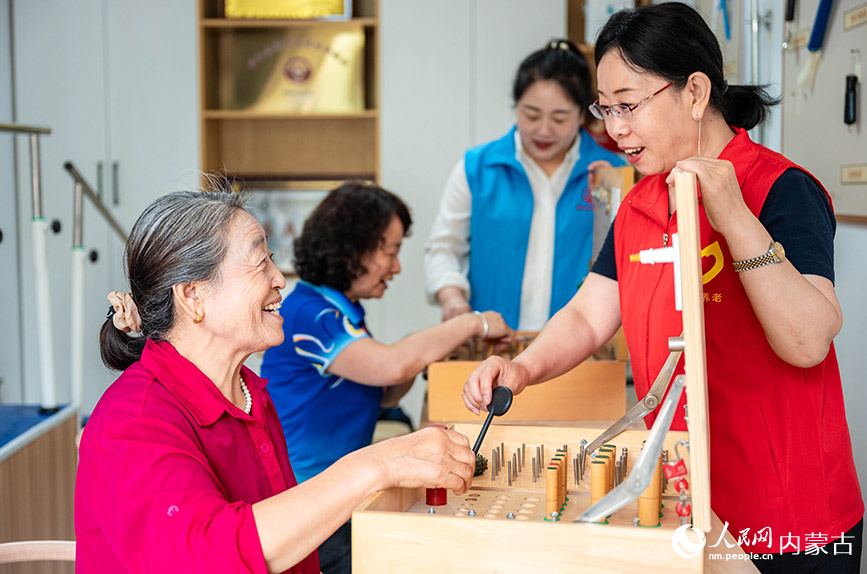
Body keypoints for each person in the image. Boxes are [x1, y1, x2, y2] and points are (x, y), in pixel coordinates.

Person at [462, 5, 863, 573]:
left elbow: (807, 341)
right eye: (606, 108)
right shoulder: (640, 203)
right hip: (688, 498)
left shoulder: (781, 189)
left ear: (695, 92)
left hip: (788, 516)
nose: (614, 127)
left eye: (629, 105)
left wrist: (735, 219)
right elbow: (588, 315)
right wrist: (522, 369)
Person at [75, 189, 476, 573]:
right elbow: (209, 556)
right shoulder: (133, 421)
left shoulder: (249, 392)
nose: (280, 279)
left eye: (272, 259)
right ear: (193, 296)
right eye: (259, 262)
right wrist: (375, 465)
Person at [259, 181, 509, 573]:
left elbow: (387, 391)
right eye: (390, 251)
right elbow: (391, 366)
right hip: (311, 501)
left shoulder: (343, 312)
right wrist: (473, 323)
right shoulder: (310, 313)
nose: (396, 267)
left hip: (341, 495)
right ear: (352, 248)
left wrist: (425, 356)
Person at [425, 39, 625, 331]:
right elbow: (444, 247)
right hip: (493, 344)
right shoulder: (478, 168)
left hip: (578, 350)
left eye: (559, 118)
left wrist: (615, 195)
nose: (543, 130)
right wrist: (452, 298)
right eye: (531, 115)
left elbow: (629, 261)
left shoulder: (612, 174)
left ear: (583, 114)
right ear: (516, 105)